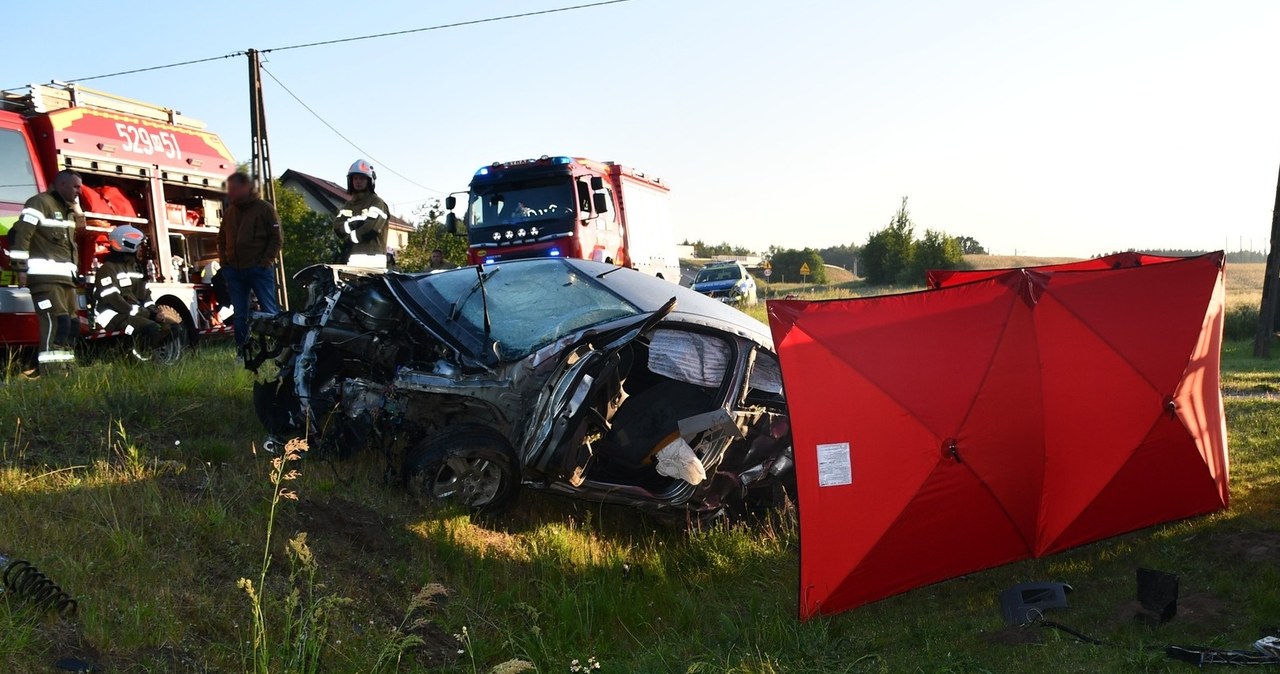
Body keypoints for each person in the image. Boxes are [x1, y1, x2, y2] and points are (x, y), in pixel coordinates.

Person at [10, 170, 85, 370]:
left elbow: (82, 227)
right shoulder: (39, 203)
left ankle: (67, 369)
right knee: (56, 322)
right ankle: (52, 372)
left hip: (66, 280)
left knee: (72, 325)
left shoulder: (68, 209)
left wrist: (76, 205)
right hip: (45, 279)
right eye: (76, 186)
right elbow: (22, 236)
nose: (80, 191)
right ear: (61, 185)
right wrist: (21, 269)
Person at [216, 172, 282, 351]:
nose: (232, 192)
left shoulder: (264, 209)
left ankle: (276, 350)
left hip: (258, 270)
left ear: (246, 188)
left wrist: (264, 262)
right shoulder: (230, 212)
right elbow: (221, 239)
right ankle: (243, 351)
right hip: (235, 272)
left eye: (235, 188)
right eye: (230, 189)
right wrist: (225, 264)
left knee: (269, 313)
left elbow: (276, 239)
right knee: (239, 315)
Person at [92, 226, 181, 354]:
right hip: (114, 317)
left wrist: (155, 311)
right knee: (150, 329)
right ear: (127, 244)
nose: (141, 249)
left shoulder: (136, 268)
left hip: (133, 314)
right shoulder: (108, 269)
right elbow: (114, 301)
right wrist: (148, 314)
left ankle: (145, 354)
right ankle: (135, 360)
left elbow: (145, 296)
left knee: (174, 328)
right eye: (139, 246)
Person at [332, 159, 389, 269]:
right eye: (355, 178)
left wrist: (349, 234)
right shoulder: (348, 205)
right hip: (351, 258)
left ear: (369, 180)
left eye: (362, 178)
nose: (358, 181)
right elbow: (337, 227)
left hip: (373, 259)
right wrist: (355, 223)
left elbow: (372, 228)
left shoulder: (377, 202)